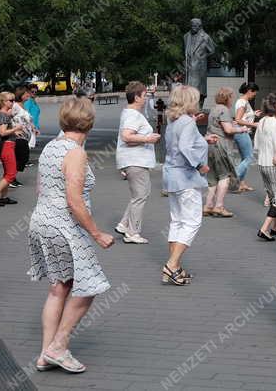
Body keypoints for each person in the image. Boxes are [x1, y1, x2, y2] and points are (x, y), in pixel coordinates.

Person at [28, 97, 114, 374]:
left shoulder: (51, 147)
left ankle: (45, 355)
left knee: (59, 287)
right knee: (88, 287)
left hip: (41, 220)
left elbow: (40, 189)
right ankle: (58, 346)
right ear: (89, 122)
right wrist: (96, 233)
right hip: (63, 225)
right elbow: (74, 201)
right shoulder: (75, 153)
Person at [161, 85, 210, 286]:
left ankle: (174, 267)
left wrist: (204, 140)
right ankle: (171, 265)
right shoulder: (188, 122)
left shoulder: (172, 121)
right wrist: (199, 165)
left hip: (171, 175)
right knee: (192, 222)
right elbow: (184, 147)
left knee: (178, 221)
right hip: (185, 177)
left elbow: (178, 145)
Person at [114, 81, 160, 244]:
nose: (146, 98)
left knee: (139, 195)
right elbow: (127, 136)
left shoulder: (129, 113)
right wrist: (148, 138)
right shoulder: (133, 115)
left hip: (134, 160)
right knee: (140, 195)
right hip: (135, 160)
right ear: (137, 97)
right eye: (144, 95)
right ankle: (133, 232)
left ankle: (124, 224)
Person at [204, 86, 247, 217]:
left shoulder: (214, 109)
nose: (232, 99)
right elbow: (228, 130)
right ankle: (219, 206)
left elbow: (218, 126)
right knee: (224, 176)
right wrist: (242, 129)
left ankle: (207, 205)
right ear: (227, 98)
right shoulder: (224, 110)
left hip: (210, 145)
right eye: (231, 97)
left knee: (212, 177)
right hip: (221, 145)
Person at [254, 92, 276, 241]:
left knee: (274, 195)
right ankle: (265, 228)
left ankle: (275, 228)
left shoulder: (262, 121)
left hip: (262, 162)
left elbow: (256, 144)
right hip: (275, 164)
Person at [0, 92, 22, 207]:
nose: (13, 102)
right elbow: (2, 133)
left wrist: (14, 132)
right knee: (11, 174)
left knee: (7, 173)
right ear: (3, 102)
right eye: (10, 100)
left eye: (13, 100)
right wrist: (15, 129)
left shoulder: (4, 114)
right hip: (7, 147)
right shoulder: (3, 114)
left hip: (9, 145)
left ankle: (4, 197)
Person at [233, 82, 260, 193]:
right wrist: (254, 124)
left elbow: (243, 116)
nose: (254, 95)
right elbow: (238, 119)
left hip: (242, 132)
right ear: (249, 91)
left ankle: (241, 184)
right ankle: (233, 179)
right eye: (254, 93)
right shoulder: (243, 102)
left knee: (245, 158)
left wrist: (253, 114)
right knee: (249, 158)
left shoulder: (243, 102)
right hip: (241, 132)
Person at [11, 85, 37, 181]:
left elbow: (27, 120)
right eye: (26, 93)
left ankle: (12, 178)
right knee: (22, 158)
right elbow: (7, 118)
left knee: (22, 158)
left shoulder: (23, 105)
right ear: (20, 94)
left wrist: (33, 128)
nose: (28, 95)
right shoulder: (15, 106)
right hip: (18, 137)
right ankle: (10, 178)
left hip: (25, 136)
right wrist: (14, 130)